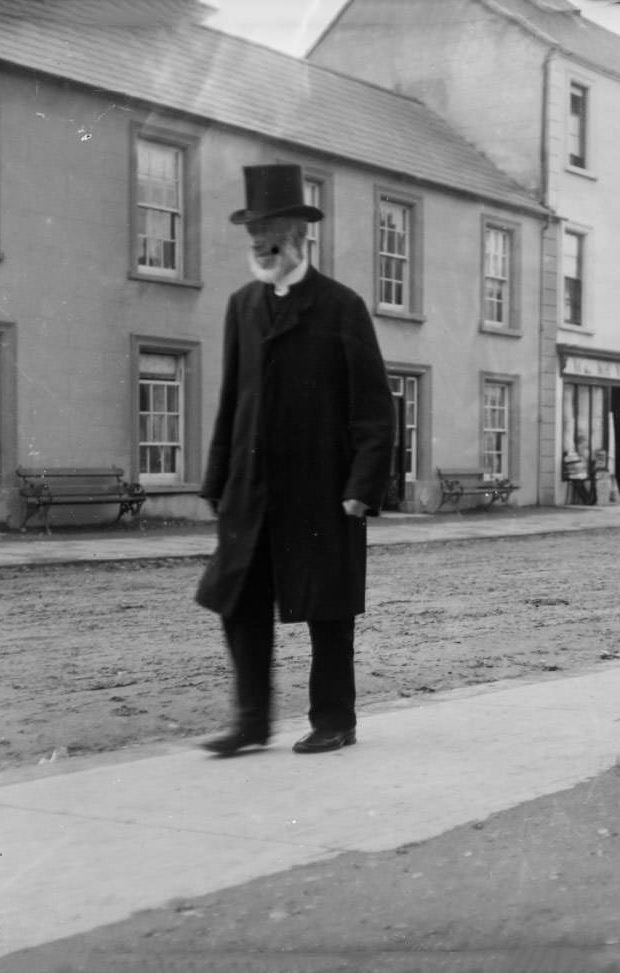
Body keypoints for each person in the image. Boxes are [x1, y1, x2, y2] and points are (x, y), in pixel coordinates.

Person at [195, 164, 394, 757]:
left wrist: (363, 484)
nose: (260, 245)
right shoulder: (241, 306)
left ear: (300, 237)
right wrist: (217, 482)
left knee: (326, 608)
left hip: (322, 488)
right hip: (252, 489)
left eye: (270, 236)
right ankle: (251, 721)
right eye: (253, 236)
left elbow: (374, 408)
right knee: (237, 600)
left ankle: (335, 719)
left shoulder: (341, 307)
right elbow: (232, 399)